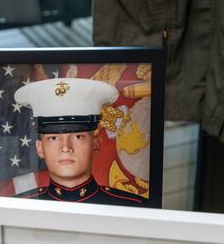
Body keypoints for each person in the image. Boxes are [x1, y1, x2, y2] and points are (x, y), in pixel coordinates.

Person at [13, 78, 147, 205]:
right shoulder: (18, 209)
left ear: (96, 144)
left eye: (78, 136)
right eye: (53, 138)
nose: (65, 147)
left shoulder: (133, 208)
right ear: (40, 148)